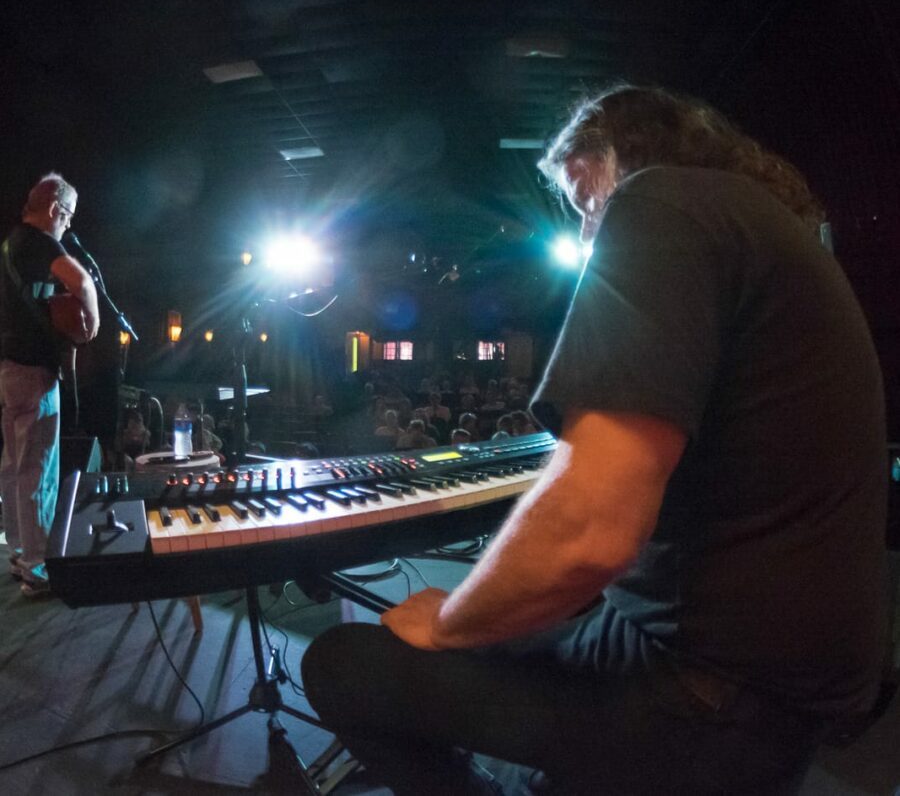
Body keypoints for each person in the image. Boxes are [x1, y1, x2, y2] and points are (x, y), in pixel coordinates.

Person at [301, 86, 887, 794]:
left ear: (634, 157)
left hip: (705, 692)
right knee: (528, 628)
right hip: (777, 687)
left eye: (584, 205)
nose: (585, 238)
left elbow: (589, 535)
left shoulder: (663, 201)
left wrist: (450, 623)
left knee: (344, 663)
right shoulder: (772, 235)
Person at [0, 173, 99, 597]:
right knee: (37, 468)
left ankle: (20, 552)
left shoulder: (10, 244)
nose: (69, 226)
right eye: (69, 216)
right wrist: (91, 322)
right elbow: (80, 281)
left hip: (7, 368)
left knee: (14, 465)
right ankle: (37, 570)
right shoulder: (40, 241)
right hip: (32, 371)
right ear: (55, 209)